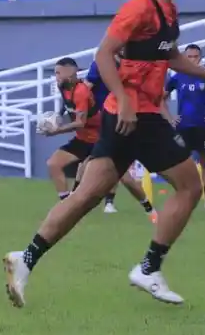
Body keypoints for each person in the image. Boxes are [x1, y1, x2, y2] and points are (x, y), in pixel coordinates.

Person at [2, 0, 205, 308]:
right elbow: (104, 54)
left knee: (85, 196)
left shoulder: (168, 11)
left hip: (126, 116)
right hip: (137, 114)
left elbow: (170, 56)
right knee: (189, 187)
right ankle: (149, 268)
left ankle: (25, 259)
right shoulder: (138, 8)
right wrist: (126, 99)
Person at [44, 58, 157, 221]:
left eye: (58, 73)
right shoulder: (64, 88)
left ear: (70, 74)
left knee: (124, 178)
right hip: (83, 139)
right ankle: (65, 206)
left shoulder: (81, 91)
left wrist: (56, 131)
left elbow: (80, 122)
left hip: (100, 138)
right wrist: (57, 118)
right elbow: (67, 107)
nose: (56, 76)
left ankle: (149, 208)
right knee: (54, 164)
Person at [163, 44, 205, 212]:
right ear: (184, 58)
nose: (193, 59)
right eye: (189, 57)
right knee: (179, 163)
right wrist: (170, 118)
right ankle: (182, 196)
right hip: (182, 127)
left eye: (195, 56)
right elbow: (160, 99)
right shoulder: (177, 78)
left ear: (200, 58)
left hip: (201, 126)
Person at [83, 51, 137, 214]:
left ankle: (107, 201)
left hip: (124, 116)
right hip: (103, 117)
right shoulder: (100, 64)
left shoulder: (133, 63)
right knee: (96, 160)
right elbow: (86, 89)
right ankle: (81, 197)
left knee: (113, 162)